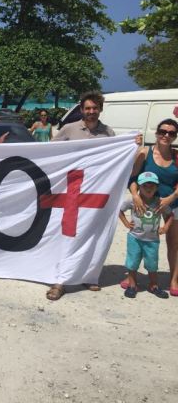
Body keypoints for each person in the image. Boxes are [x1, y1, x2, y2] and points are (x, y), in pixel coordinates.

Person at [46, 91, 115, 300]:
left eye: (95, 108)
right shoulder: (69, 129)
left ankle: (88, 275)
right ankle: (60, 281)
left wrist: (133, 143)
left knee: (92, 234)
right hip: (72, 189)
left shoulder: (109, 133)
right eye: (87, 108)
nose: (91, 112)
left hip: (96, 191)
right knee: (67, 235)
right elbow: (49, 152)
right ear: (82, 109)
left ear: (100, 109)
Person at [127, 118, 178, 296]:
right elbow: (132, 178)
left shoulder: (177, 156)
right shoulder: (144, 153)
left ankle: (174, 279)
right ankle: (132, 277)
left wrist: (171, 198)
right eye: (163, 131)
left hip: (173, 203)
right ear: (156, 133)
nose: (166, 135)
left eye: (171, 133)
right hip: (146, 202)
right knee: (139, 238)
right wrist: (135, 196)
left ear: (175, 136)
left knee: (174, 244)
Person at [119, 171, 173, 299]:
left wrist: (165, 227)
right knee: (132, 263)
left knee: (152, 264)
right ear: (139, 186)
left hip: (152, 240)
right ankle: (132, 285)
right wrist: (126, 223)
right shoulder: (133, 201)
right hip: (134, 238)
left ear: (157, 187)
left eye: (152, 186)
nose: (149, 189)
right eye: (145, 186)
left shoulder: (160, 202)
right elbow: (120, 210)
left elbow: (170, 215)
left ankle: (153, 285)